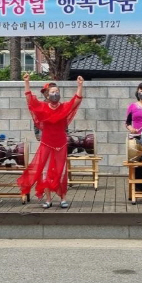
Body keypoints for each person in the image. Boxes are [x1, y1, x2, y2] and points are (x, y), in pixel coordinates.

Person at [18, 73, 84, 208]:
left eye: (57, 91)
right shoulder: (42, 107)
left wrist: (80, 85)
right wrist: (26, 82)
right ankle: (48, 199)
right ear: (47, 95)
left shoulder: (64, 107)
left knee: (60, 171)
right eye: (53, 92)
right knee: (45, 172)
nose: (55, 93)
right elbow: (30, 100)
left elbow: (76, 100)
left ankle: (63, 198)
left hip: (61, 143)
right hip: (46, 143)